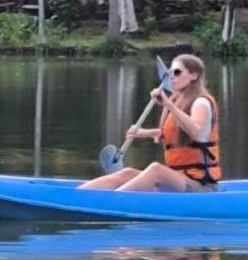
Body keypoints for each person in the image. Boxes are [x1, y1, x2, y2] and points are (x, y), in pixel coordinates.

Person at [80, 54, 222, 192]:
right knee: (128, 173)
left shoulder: (201, 102)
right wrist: (142, 133)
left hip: (201, 185)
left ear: (194, 75)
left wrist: (168, 105)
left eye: (177, 72)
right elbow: (169, 134)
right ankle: (79, 194)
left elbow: (196, 132)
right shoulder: (177, 100)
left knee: (156, 170)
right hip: (178, 178)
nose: (172, 75)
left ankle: (110, 202)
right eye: (171, 72)